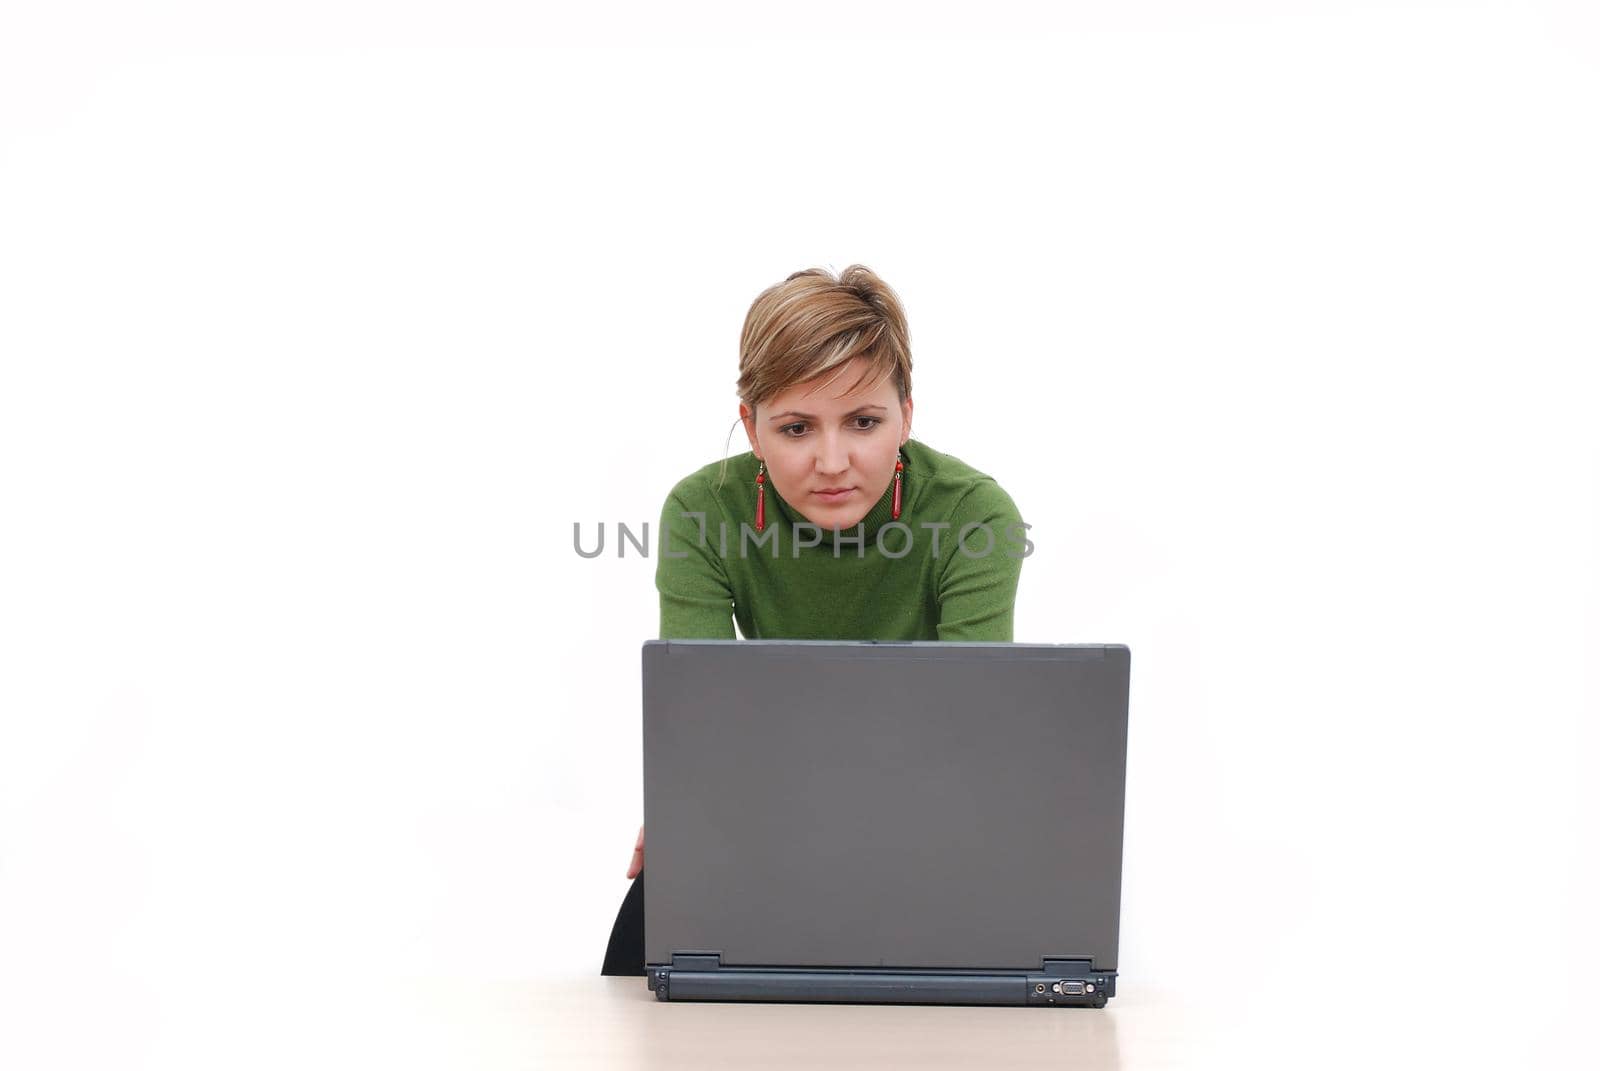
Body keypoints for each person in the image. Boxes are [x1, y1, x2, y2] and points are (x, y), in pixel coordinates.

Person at [600, 265, 1028, 975]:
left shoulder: (974, 515)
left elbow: (969, 735)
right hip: (760, 809)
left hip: (929, 818)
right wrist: (686, 805)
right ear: (752, 426)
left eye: (864, 421)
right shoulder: (703, 512)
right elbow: (703, 717)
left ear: (907, 415)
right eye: (796, 427)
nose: (833, 462)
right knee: (643, 971)